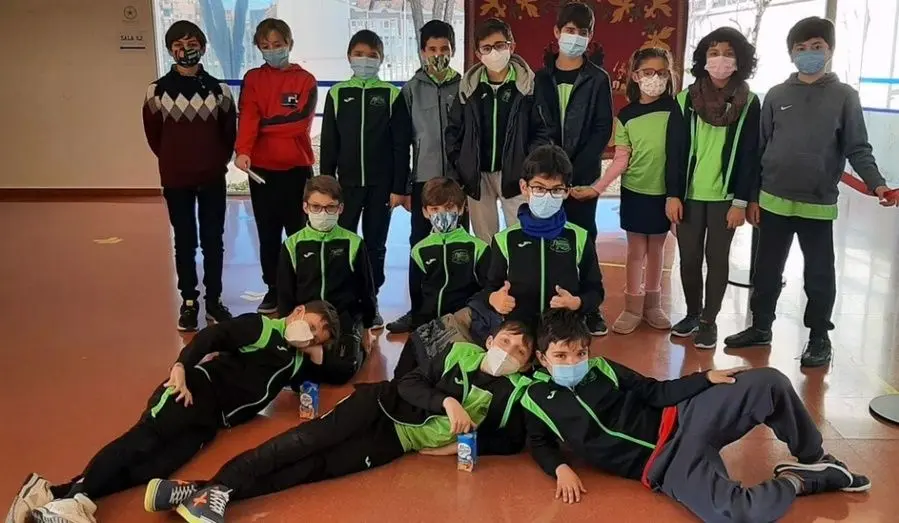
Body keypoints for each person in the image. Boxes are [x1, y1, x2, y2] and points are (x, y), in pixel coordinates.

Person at [144, 322, 536, 523]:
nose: (509, 352)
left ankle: (200, 492)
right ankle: (218, 489)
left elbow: (512, 439)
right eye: (506, 341)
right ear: (490, 341)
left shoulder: (513, 391)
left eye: (520, 352)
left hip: (395, 443)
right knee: (303, 442)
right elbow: (409, 382)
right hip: (378, 404)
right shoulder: (458, 352)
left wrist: (457, 446)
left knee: (311, 469)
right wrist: (446, 401)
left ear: (526, 364)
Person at [522, 308, 870, 522]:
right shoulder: (535, 398)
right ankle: (802, 480)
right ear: (542, 358)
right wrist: (559, 468)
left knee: (769, 382)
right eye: (561, 356)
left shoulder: (603, 368)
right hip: (666, 464)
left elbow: (653, 391)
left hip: (681, 417)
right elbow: (539, 443)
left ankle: (814, 458)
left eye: (580, 353)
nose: (573, 362)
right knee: (737, 513)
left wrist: (704, 379)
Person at [6, 303, 340, 523]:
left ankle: (52, 494)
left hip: (211, 421)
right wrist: (180, 366)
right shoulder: (261, 327)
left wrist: (314, 351)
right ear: (298, 312)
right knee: (141, 443)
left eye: (316, 337)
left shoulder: (295, 361)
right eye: (310, 326)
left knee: (155, 466)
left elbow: (331, 374)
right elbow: (212, 336)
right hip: (192, 391)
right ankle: (75, 499)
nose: (309, 336)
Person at [724, 17, 899, 368]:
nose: (808, 53)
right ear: (791, 53)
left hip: (817, 204)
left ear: (830, 49)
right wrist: (753, 196)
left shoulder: (844, 96)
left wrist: (877, 182)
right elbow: (759, 148)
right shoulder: (777, 95)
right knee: (766, 271)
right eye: (801, 48)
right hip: (772, 202)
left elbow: (857, 148)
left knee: (819, 275)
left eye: (816, 46)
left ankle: (819, 336)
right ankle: (760, 326)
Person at [665, 27, 761, 349]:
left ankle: (709, 321)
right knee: (689, 258)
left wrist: (741, 201)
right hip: (689, 197)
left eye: (729, 53)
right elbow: (675, 151)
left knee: (717, 259)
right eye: (714, 52)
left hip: (726, 199)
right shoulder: (685, 100)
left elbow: (750, 154)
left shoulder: (749, 102)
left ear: (740, 60)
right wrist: (672, 195)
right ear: (703, 58)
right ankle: (693, 313)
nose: (721, 60)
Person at [142, 20, 236, 331]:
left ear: (203, 48)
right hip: (176, 180)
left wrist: (213, 161)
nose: (185, 51)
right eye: (178, 46)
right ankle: (189, 302)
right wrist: (175, 160)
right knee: (184, 241)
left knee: (213, 241)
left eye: (192, 45)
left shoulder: (220, 90)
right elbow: (154, 137)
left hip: (212, 178)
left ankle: (214, 300)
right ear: (170, 50)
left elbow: (228, 135)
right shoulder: (156, 91)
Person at [576, 48, 676, 335]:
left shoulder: (676, 110)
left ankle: (653, 306)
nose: (655, 78)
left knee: (657, 250)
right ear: (635, 76)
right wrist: (597, 188)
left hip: (665, 194)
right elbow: (621, 159)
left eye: (661, 73)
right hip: (635, 192)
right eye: (648, 72)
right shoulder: (627, 115)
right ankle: (632, 307)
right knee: (636, 251)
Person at [320, 29, 409, 330]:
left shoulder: (391, 94)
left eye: (372, 55)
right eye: (359, 54)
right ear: (349, 56)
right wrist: (327, 185)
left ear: (381, 59)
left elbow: (401, 144)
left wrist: (398, 187)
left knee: (375, 245)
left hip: (380, 187)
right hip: (346, 186)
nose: (365, 60)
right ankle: (343, 300)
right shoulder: (337, 94)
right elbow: (329, 143)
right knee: (342, 242)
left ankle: (371, 301)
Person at [535, 2, 614, 335]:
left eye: (583, 32)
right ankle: (553, 304)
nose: (575, 37)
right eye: (570, 30)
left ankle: (588, 307)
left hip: (582, 176)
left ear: (590, 36)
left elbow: (602, 128)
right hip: (548, 177)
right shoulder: (541, 78)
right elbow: (537, 123)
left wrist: (574, 170)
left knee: (584, 238)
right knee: (551, 238)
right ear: (557, 32)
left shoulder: (598, 79)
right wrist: (552, 169)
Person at [235, 18, 318, 315]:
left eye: (278, 44)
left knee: (299, 233)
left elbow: (298, 122)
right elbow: (248, 116)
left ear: (289, 44)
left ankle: (301, 288)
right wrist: (244, 149)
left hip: (297, 169)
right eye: (265, 46)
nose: (272, 50)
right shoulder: (253, 79)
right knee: (268, 233)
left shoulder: (305, 80)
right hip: (262, 172)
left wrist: (263, 127)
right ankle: (273, 288)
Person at [388, 20, 466, 334]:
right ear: (422, 52)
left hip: (458, 182)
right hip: (424, 182)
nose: (438, 54)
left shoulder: (465, 86)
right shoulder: (410, 90)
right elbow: (400, 143)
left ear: (453, 50)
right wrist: (402, 187)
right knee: (420, 246)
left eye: (444, 48)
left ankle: (459, 309)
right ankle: (419, 311)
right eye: (432, 49)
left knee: (459, 246)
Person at [445, 17, 550, 244]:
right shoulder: (469, 88)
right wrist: (461, 163)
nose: (494, 52)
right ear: (478, 53)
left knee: (522, 237)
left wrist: (528, 164)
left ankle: (519, 270)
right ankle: (489, 270)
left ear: (512, 46)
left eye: (500, 45)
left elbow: (542, 130)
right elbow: (453, 130)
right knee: (485, 240)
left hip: (516, 173)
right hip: (477, 176)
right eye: (487, 48)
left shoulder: (528, 86)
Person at [477, 145, 605, 331]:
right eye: (539, 188)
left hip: (563, 332)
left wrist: (577, 303)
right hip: (520, 332)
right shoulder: (505, 239)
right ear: (524, 187)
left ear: (566, 191)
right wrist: (494, 299)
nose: (547, 196)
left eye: (557, 189)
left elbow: (595, 291)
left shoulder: (579, 237)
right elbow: (490, 287)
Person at [277, 175, 378, 384]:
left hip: (343, 317)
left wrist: (367, 328)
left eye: (330, 207)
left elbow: (366, 289)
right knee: (286, 371)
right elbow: (285, 293)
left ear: (340, 209)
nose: (323, 213)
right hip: (306, 318)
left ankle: (325, 355)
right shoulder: (292, 244)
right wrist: (288, 328)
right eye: (316, 206)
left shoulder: (353, 243)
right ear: (305, 207)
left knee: (342, 371)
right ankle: (316, 355)